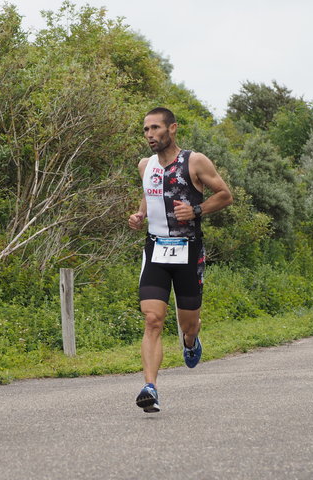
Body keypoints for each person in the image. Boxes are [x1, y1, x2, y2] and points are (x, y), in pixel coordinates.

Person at [128, 107, 233, 413]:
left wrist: (197, 210)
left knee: (188, 324)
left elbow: (225, 195)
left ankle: (190, 342)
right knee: (152, 319)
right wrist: (140, 216)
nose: (150, 134)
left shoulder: (194, 161)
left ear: (172, 129)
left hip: (188, 251)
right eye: (146, 129)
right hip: (156, 250)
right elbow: (149, 195)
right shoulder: (145, 165)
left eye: (156, 128)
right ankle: (150, 387)